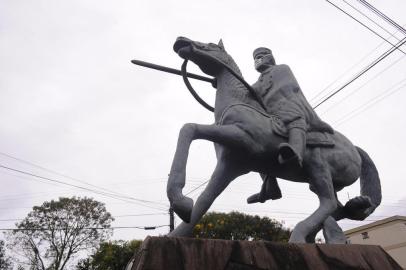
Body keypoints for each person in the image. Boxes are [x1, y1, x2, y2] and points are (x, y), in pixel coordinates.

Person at [247, 47, 334, 204]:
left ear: (270, 57)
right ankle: (270, 186)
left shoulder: (282, 69)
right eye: (255, 58)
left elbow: (288, 86)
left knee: (293, 119)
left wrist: (267, 99)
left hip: (286, 105)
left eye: (261, 56)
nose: (257, 60)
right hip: (270, 115)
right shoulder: (257, 82)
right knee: (256, 140)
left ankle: (295, 154)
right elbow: (248, 93)